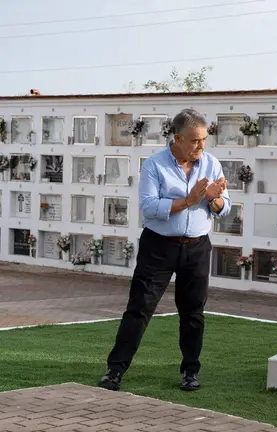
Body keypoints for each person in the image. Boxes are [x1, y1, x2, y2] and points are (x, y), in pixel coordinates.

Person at [98, 108, 231, 392]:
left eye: (204, 140)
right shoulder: (154, 165)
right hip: (158, 246)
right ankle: (115, 371)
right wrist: (188, 200)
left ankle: (190, 372)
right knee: (139, 309)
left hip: (197, 247)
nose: (201, 146)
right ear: (178, 138)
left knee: (194, 312)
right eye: (195, 140)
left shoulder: (211, 164)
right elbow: (149, 207)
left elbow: (224, 208)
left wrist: (214, 200)